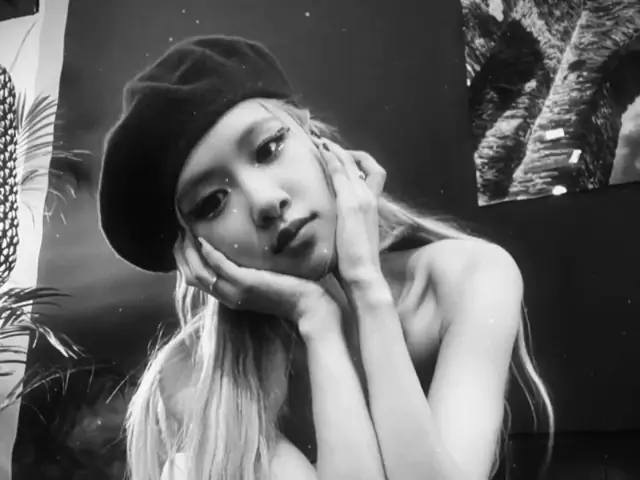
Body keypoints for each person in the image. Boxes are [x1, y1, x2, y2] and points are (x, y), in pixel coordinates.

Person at [98, 35, 554, 480]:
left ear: (314, 137)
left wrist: (364, 285)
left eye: (269, 148)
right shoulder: (195, 375)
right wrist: (316, 319)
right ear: (194, 250)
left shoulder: (469, 277)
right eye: (212, 202)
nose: (265, 201)